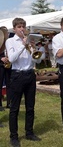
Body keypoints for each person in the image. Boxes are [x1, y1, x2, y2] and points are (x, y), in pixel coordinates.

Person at [5, 17, 41, 147]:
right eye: (19, 27)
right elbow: (12, 59)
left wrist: (32, 48)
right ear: (14, 29)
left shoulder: (29, 41)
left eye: (23, 27)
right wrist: (23, 46)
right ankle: (13, 137)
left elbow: (37, 61)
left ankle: (29, 133)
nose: (22, 29)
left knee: (30, 107)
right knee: (14, 108)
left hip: (30, 75)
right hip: (17, 76)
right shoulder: (10, 41)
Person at [0, 26, 11, 110]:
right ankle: (0, 105)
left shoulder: (9, 42)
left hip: (8, 65)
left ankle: (9, 103)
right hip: (1, 65)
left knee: (9, 84)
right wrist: (1, 59)